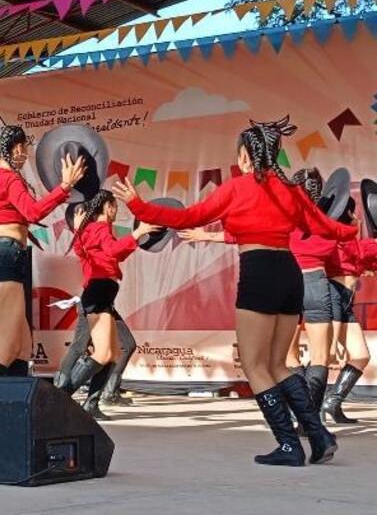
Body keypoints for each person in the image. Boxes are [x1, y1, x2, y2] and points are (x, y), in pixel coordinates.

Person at [113, 116, 357, 467]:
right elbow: (324, 226)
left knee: (255, 366)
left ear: (245, 156)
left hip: (259, 271)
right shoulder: (291, 190)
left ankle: (289, 445)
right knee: (277, 364)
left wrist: (138, 206)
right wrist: (354, 231)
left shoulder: (236, 188)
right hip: (290, 273)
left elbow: (188, 217)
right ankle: (318, 436)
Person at [180, 168, 337, 421]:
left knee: (286, 358)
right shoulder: (324, 219)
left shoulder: (284, 210)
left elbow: (243, 233)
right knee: (320, 355)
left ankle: (300, 417)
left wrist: (205, 235)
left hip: (287, 277)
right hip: (316, 282)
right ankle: (313, 419)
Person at [0, 124, 86, 377]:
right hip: (4, 259)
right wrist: (64, 187)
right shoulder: (9, 179)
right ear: (16, 148)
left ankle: (11, 402)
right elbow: (33, 212)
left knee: (22, 348)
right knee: (8, 348)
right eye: (24, 149)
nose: (25, 155)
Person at [55, 191, 158, 421]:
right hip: (99, 292)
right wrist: (137, 233)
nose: (117, 211)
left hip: (103, 293)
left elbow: (109, 255)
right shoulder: (99, 229)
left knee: (112, 354)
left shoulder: (93, 230)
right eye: (115, 206)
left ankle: (91, 404)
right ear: (108, 207)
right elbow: (112, 250)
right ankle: (60, 398)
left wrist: (78, 231)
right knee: (102, 353)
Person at [322, 199, 374, 424]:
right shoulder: (336, 239)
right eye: (353, 213)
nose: (357, 218)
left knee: (361, 356)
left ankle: (332, 402)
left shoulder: (348, 240)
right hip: (332, 298)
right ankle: (307, 406)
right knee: (324, 355)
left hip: (345, 302)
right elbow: (360, 253)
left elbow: (360, 259)